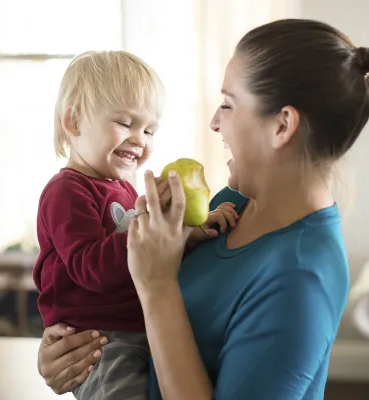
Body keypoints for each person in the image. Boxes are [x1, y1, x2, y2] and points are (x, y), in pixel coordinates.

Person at [36, 19, 369, 399]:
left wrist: (156, 285)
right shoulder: (234, 205)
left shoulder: (301, 277)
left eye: (227, 104)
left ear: (282, 126)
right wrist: (66, 353)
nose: (213, 122)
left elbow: (154, 285)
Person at [33, 50, 237, 400]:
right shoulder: (66, 191)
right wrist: (151, 222)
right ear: (74, 122)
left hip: (139, 327)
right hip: (101, 340)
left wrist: (189, 232)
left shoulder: (123, 189)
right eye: (125, 123)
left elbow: (148, 254)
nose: (140, 139)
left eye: (150, 129)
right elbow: (90, 267)